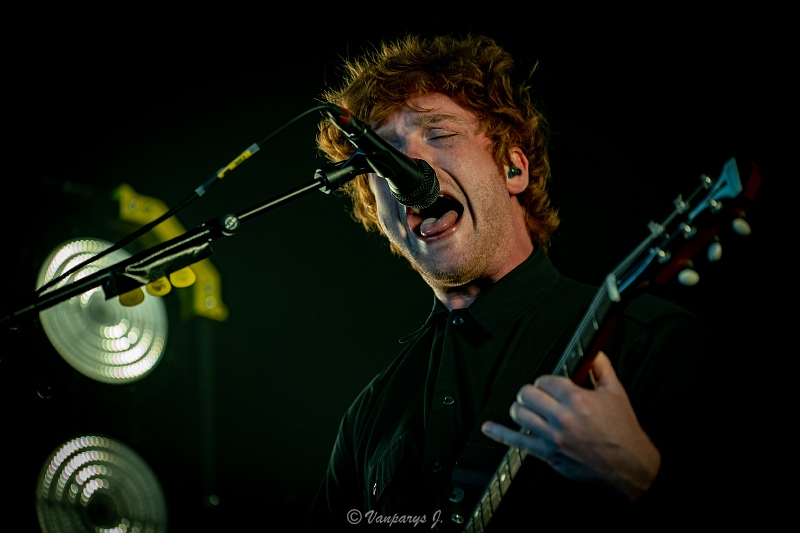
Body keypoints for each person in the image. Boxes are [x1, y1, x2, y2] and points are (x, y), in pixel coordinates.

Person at [303, 33, 731, 531]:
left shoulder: (650, 341)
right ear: (380, 218)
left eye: (438, 134)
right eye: (382, 156)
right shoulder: (370, 415)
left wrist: (640, 479)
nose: (407, 168)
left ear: (513, 168)